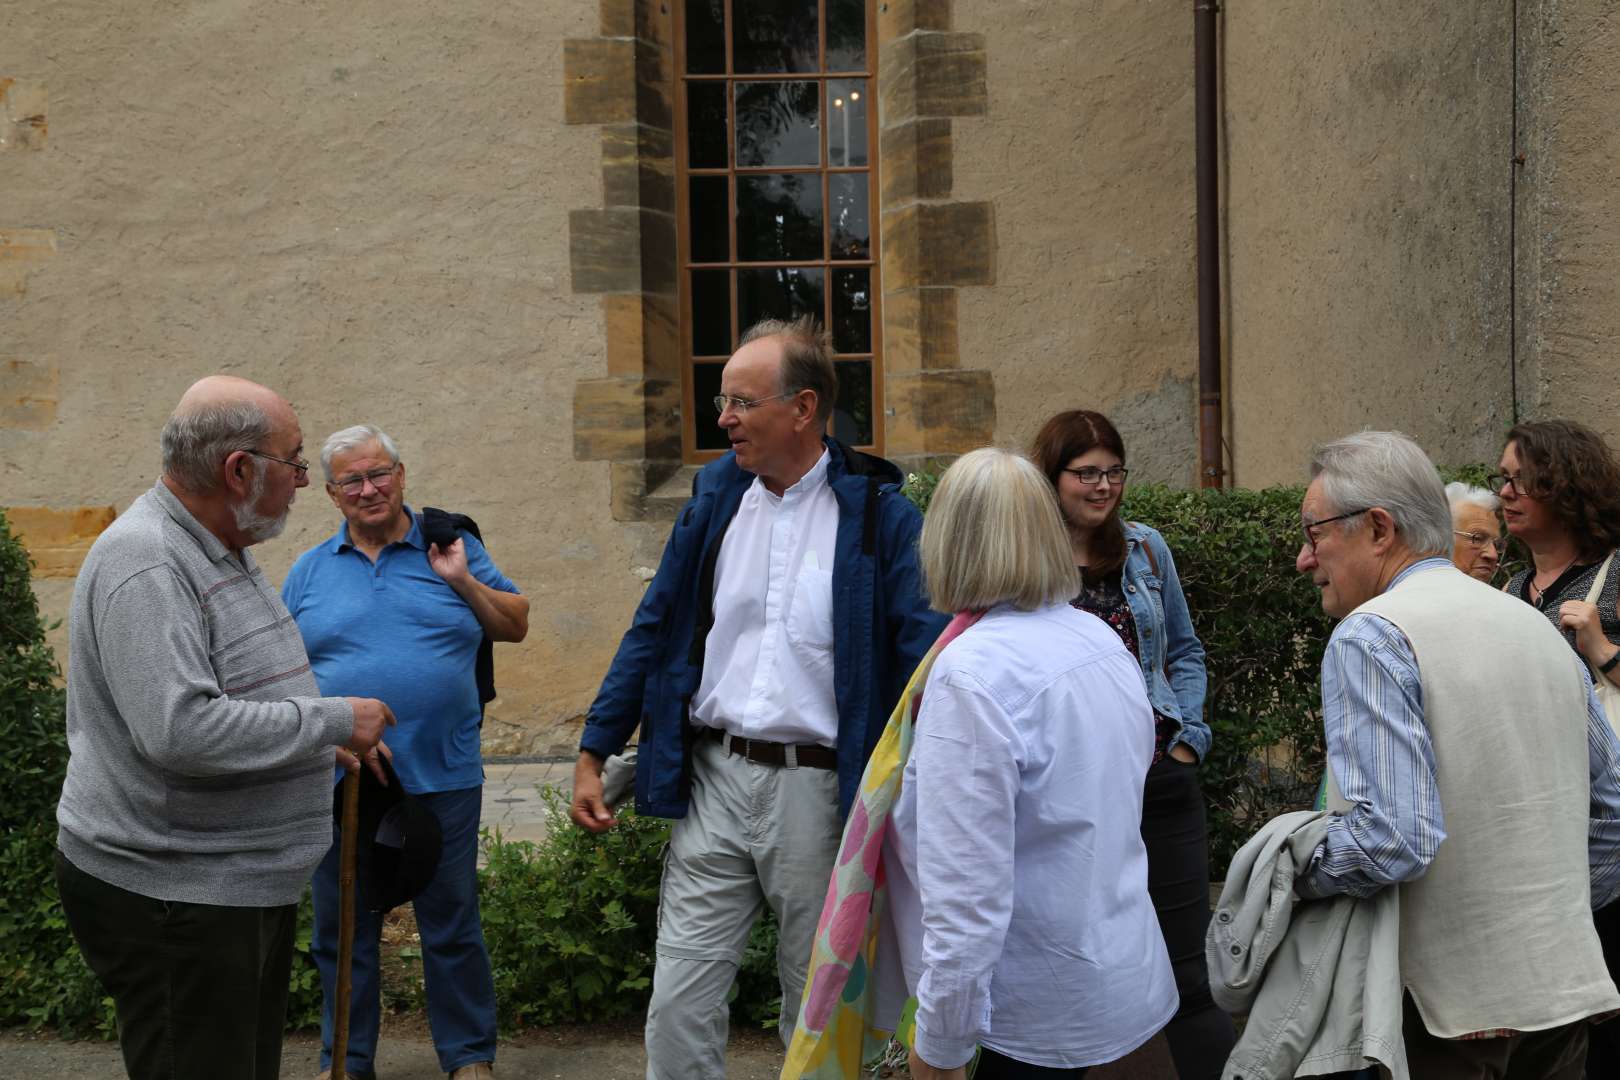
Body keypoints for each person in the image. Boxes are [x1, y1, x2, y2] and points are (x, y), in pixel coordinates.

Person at [570, 316, 946, 1079]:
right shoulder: (712, 501)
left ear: (803, 409)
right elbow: (657, 626)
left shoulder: (880, 519)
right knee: (679, 995)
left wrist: (925, 790)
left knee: (816, 1000)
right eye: (723, 402)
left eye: (741, 403)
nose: (724, 419)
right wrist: (595, 746)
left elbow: (923, 663)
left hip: (819, 794)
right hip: (712, 778)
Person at [54, 376, 395, 1080]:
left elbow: (227, 690)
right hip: (178, 894)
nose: (304, 483)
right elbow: (179, 730)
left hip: (224, 886)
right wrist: (332, 718)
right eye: (296, 463)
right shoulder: (146, 561)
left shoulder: (215, 543)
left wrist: (310, 739)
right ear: (239, 471)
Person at [1295, 430, 1620, 1079]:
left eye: (1313, 533)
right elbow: (1611, 809)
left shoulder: (1373, 635)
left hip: (1447, 1013)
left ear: (1379, 528)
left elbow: (1391, 839)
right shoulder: (1533, 620)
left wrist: (1286, 865)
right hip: (1560, 992)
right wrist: (1546, 911)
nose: (1305, 559)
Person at [883, 447, 1177, 1079]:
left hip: (1031, 1020)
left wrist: (939, 1048)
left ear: (948, 541)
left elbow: (966, 897)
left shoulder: (971, 673)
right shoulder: (1098, 637)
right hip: (1127, 986)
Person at [283, 424, 529, 1080]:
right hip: (344, 780)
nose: (370, 490)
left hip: (441, 773)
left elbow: (516, 623)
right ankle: (347, 1063)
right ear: (332, 495)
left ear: (402, 474)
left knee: (449, 922)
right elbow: (279, 671)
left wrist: (461, 581)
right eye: (352, 481)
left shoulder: (453, 546)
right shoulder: (308, 572)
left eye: (379, 474)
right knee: (343, 932)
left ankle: (469, 1058)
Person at [1026, 409, 1234, 1080]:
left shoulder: (1145, 550)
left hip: (1158, 785)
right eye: (1086, 473)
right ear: (1050, 477)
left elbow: (1185, 651)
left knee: (1187, 972)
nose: (1103, 486)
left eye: (1114, 471)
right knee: (1074, 963)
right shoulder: (1027, 562)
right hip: (1072, 796)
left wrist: (1186, 742)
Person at [1491, 419, 1620, 1078]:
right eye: (1502, 480)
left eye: (1521, 480)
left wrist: (1603, 649)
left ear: (1563, 487)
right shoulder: (1511, 592)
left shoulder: (1614, 576)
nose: (1505, 494)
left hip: (1610, 832)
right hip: (1542, 822)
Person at [1444, 481, 1503, 583]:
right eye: (1478, 538)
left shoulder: (1502, 598)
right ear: (1441, 539)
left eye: (1497, 545)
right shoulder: (1412, 594)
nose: (1493, 555)